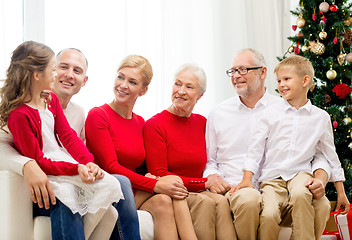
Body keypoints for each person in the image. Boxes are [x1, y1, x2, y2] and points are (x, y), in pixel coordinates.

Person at [0, 46, 140, 240]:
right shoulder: (19, 114)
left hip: (67, 170)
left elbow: (70, 138)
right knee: (68, 199)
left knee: (118, 184)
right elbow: (6, 150)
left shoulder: (63, 106)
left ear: (84, 80)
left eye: (77, 70)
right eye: (59, 68)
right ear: (39, 75)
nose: (65, 75)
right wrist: (29, 166)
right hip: (49, 178)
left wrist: (88, 162)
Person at [203, 48, 332, 240]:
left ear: (263, 72)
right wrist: (212, 176)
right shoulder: (218, 113)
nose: (236, 76)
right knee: (249, 199)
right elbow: (210, 160)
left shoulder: (286, 107)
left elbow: (317, 152)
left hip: (282, 188)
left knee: (322, 204)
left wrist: (321, 178)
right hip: (239, 187)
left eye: (243, 70)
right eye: (233, 71)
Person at [236, 55, 349, 240]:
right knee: (269, 214)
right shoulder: (270, 114)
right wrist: (247, 178)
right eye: (279, 80)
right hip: (272, 178)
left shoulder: (320, 118)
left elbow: (330, 155)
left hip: (301, 173)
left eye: (287, 79)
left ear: (305, 81)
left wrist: (341, 192)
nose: (281, 85)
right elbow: (254, 149)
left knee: (301, 194)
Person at [85, 55, 189, 240]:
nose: (123, 85)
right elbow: (111, 167)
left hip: (134, 191)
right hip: (109, 190)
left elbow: (142, 166)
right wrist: (155, 184)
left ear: (143, 90)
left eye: (132, 82)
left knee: (165, 201)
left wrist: (152, 178)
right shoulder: (98, 115)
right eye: (120, 77)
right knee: (166, 191)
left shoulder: (140, 122)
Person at [143, 63, 237, 240]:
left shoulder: (203, 123)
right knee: (205, 203)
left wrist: (216, 182)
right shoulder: (155, 125)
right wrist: (203, 183)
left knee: (222, 202)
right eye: (177, 84)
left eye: (189, 87)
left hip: (197, 188)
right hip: (172, 191)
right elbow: (159, 173)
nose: (181, 91)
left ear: (200, 95)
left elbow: (214, 160)